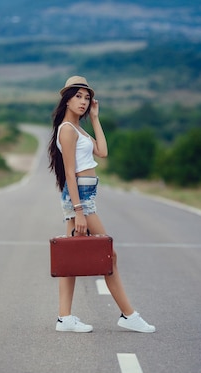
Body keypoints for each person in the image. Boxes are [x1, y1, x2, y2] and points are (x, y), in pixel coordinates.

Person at [47, 75, 156, 333]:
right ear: (67, 99)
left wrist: (95, 118)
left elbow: (103, 152)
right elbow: (70, 172)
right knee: (109, 254)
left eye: (87, 98)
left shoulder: (78, 128)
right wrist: (79, 211)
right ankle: (128, 314)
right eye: (78, 97)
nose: (83, 102)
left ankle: (65, 318)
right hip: (80, 199)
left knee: (71, 257)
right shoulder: (67, 130)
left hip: (85, 196)